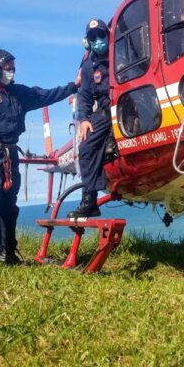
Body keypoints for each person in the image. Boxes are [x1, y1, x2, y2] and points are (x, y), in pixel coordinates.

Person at [0, 48, 77, 267]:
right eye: (7, 69)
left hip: (11, 154)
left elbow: (46, 95)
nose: (11, 72)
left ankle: (8, 253)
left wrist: (74, 86)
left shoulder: (18, 93)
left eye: (13, 69)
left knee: (10, 207)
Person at [68, 19, 112, 218]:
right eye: (93, 37)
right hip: (104, 109)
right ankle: (90, 200)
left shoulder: (122, 51)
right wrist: (84, 119)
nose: (98, 40)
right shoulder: (88, 66)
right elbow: (84, 95)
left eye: (100, 35)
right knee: (85, 149)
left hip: (129, 104)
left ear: (108, 34)